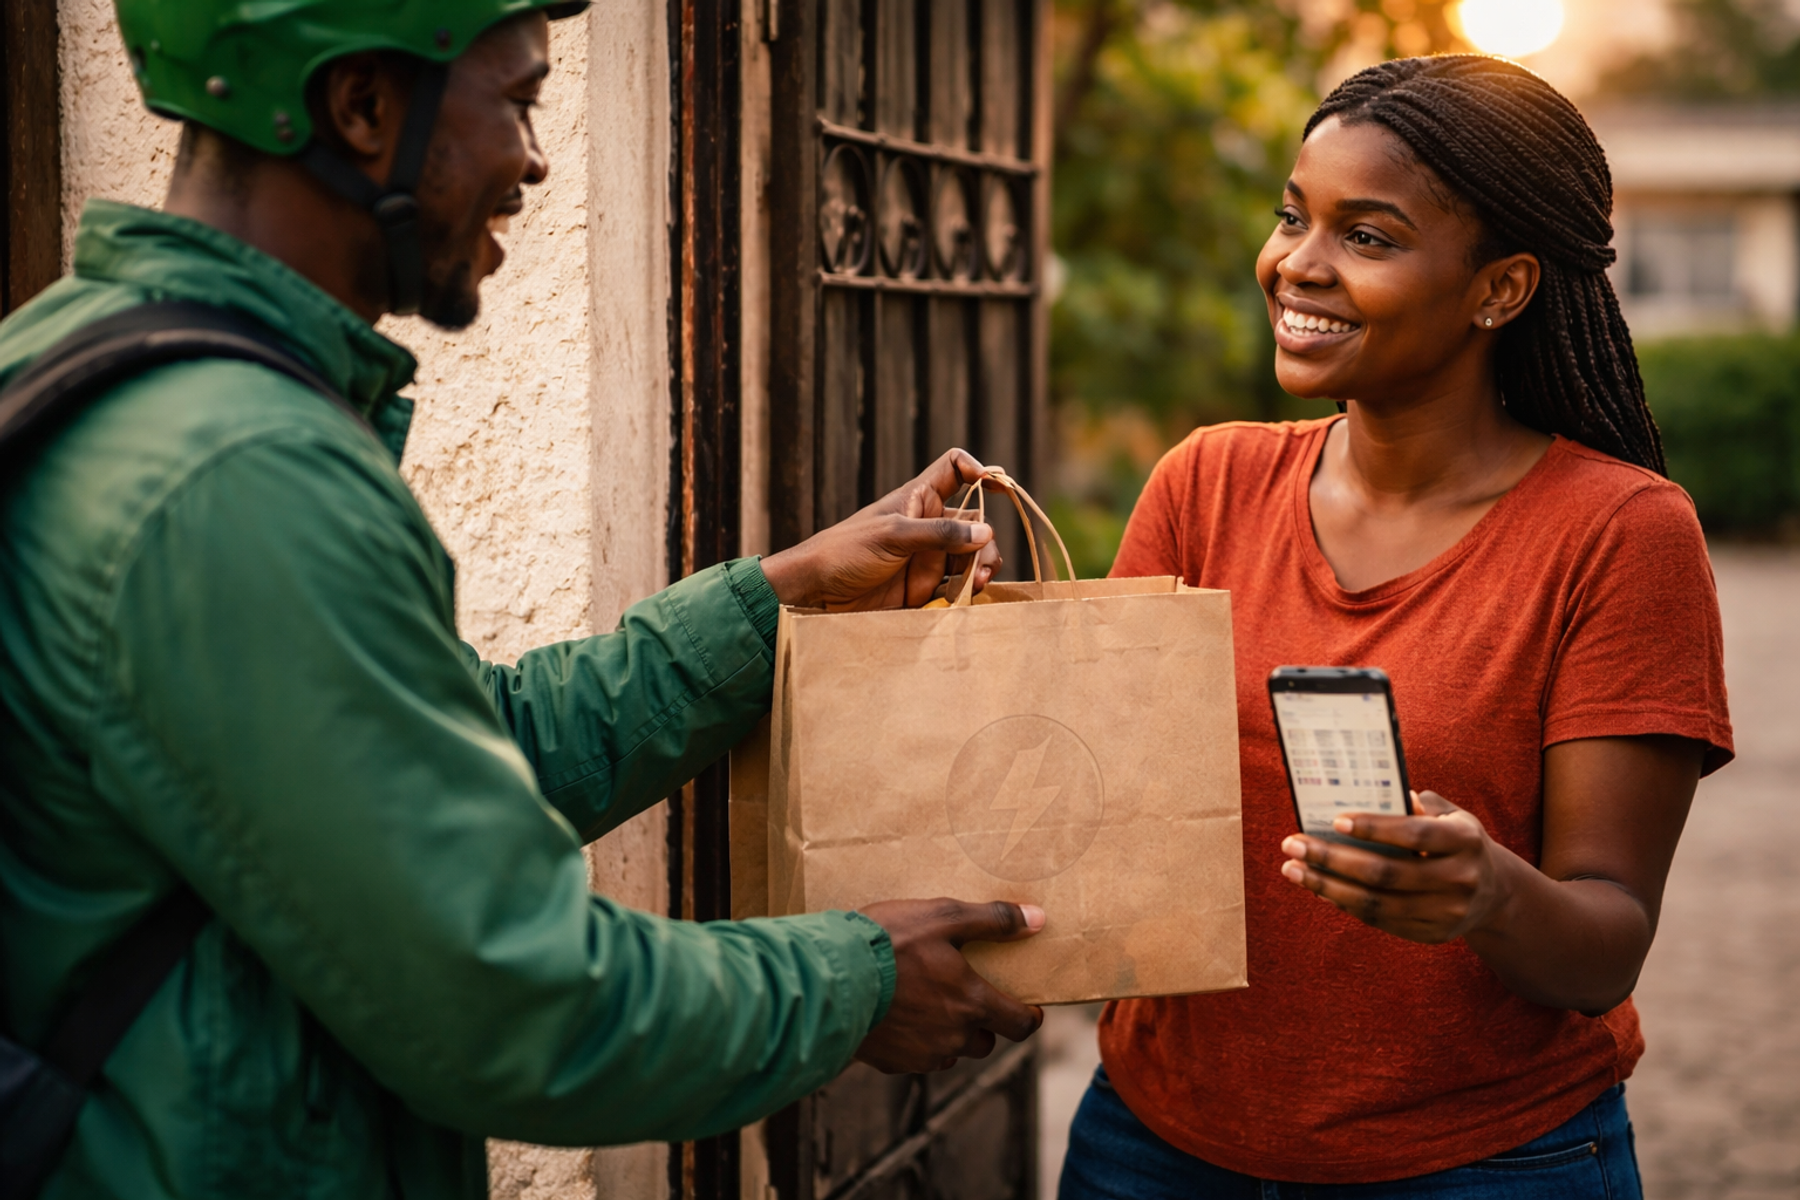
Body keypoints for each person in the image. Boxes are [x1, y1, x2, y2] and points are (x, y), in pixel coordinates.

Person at [0, 3, 1044, 1197]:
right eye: (520, 99)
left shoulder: (93, 361)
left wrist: (776, 604)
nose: (535, 158)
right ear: (363, 107)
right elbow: (511, 1000)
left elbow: (439, 763)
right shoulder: (236, 475)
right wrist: (852, 982)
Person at [1059, 56, 1732, 1199]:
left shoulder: (1620, 535)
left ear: (1501, 287)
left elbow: (1607, 942)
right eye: (1293, 216)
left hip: (1484, 1165)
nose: (1297, 266)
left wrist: (1489, 894)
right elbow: (1088, 799)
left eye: (1366, 236)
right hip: (1152, 1143)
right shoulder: (1204, 485)